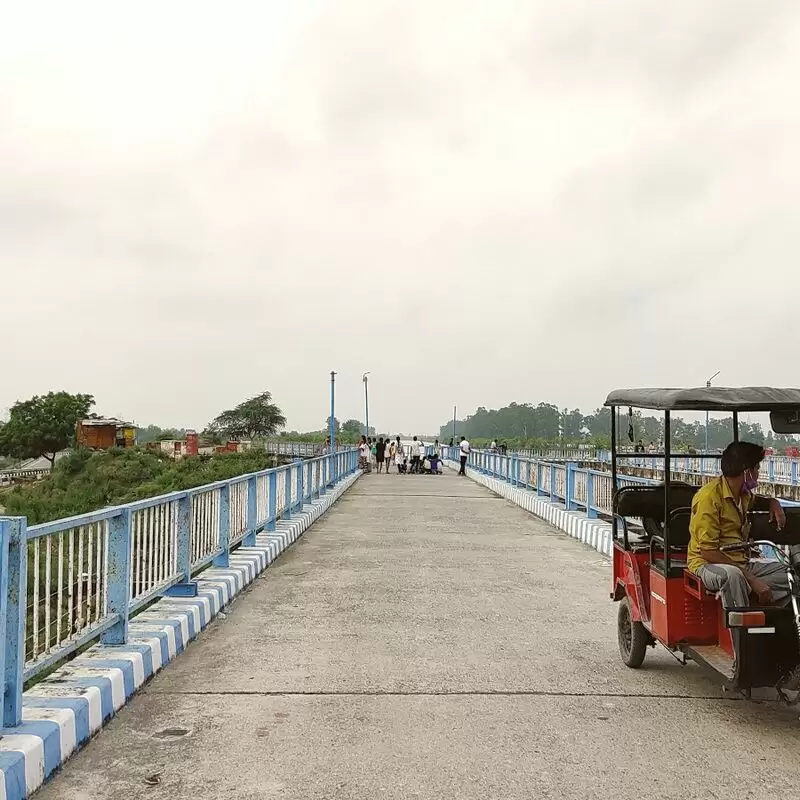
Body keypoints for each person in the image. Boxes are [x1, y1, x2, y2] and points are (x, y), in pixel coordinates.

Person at [688, 441, 788, 609]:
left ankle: (752, 598)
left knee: (789, 573)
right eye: (756, 469)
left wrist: (773, 502)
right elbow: (708, 552)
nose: (758, 473)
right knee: (733, 576)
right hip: (708, 564)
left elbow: (758, 502)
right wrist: (752, 579)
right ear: (746, 471)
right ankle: (742, 632)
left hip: (741, 561)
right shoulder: (708, 498)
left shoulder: (743, 495)